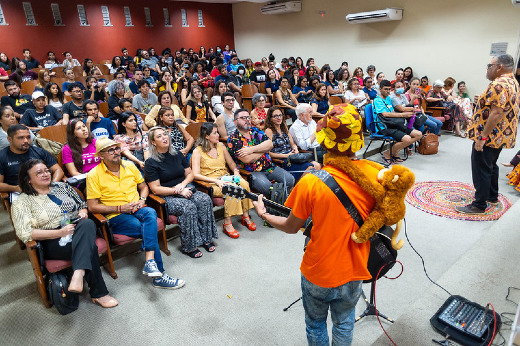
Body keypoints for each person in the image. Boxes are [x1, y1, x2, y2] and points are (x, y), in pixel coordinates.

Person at [251, 108, 375, 346]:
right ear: (358, 140)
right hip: (354, 268)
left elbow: (290, 226)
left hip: (318, 270)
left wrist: (264, 213)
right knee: (345, 322)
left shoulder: (310, 182)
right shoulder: (375, 174)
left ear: (324, 141)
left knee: (316, 323)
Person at [12, 159, 118, 308]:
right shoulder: (22, 202)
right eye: (39, 173)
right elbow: (25, 233)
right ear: (28, 180)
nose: (45, 174)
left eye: (47, 170)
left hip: (77, 229)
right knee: (90, 248)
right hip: (51, 240)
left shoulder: (62, 187)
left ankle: (79, 273)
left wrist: (82, 211)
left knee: (87, 223)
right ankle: (99, 293)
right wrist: (59, 232)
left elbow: (82, 204)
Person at [86, 137, 185, 289]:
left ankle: (150, 262)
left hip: (137, 206)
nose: (116, 152)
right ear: (101, 155)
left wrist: (142, 199)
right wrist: (119, 208)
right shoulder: (94, 175)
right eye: (110, 150)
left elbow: (143, 186)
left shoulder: (129, 165)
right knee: (147, 229)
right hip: (116, 215)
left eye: (117, 148)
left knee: (150, 212)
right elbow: (92, 207)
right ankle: (159, 276)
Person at [455, 54, 520, 215]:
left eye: (489, 65)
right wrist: (482, 100)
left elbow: (496, 113)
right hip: (502, 135)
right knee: (491, 165)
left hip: (489, 136)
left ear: (499, 67)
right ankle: (491, 195)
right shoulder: (513, 82)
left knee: (481, 168)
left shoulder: (498, 84)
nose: (487, 68)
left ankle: (479, 204)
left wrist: (482, 138)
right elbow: (499, 105)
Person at [145, 126, 218, 257]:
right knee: (188, 207)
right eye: (159, 136)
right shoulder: (151, 162)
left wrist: (183, 185)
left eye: (165, 134)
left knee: (205, 200)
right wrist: (177, 191)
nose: (164, 137)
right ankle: (189, 246)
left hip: (185, 188)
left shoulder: (177, 154)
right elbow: (155, 189)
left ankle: (206, 239)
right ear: (153, 142)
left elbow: (190, 174)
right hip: (167, 196)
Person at [192, 122, 255, 239]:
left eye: (218, 132)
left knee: (244, 183)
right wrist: (216, 181)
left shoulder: (221, 146)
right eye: (215, 133)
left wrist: (236, 172)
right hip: (210, 183)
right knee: (233, 189)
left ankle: (245, 216)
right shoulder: (197, 151)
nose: (218, 135)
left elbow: (231, 163)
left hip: (225, 177)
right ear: (206, 136)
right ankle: (227, 223)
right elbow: (195, 175)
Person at [227, 109, 295, 196]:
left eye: (248, 117)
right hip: (252, 172)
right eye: (243, 118)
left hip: (269, 167)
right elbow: (247, 159)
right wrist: (263, 150)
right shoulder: (233, 139)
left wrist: (251, 150)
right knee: (267, 187)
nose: (247, 120)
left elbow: (270, 144)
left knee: (290, 179)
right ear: (235, 122)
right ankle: (275, 204)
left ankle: (280, 200)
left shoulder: (255, 131)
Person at [0, 124, 64, 195]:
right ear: (9, 139)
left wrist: (51, 186)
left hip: (47, 189)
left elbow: (58, 170)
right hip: (20, 192)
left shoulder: (40, 151)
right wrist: (15, 188)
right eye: (21, 138)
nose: (26, 141)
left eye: (28, 137)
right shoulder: (2, 156)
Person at [264, 106, 320, 180]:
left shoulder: (284, 128)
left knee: (317, 165)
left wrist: (295, 149)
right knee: (310, 168)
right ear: (270, 118)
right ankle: (297, 189)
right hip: (282, 160)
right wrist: (286, 156)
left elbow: (293, 144)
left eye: (280, 115)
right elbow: (267, 153)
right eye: (275, 116)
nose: (279, 118)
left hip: (292, 157)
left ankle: (309, 189)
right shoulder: (269, 131)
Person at [374, 80, 422, 164]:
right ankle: (387, 153)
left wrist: (407, 114)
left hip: (393, 123)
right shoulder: (377, 100)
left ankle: (395, 151)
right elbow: (385, 114)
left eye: (389, 89)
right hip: (383, 126)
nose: (388, 91)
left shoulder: (388, 98)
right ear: (380, 89)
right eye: (385, 89)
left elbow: (392, 112)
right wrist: (403, 115)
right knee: (407, 139)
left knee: (418, 134)